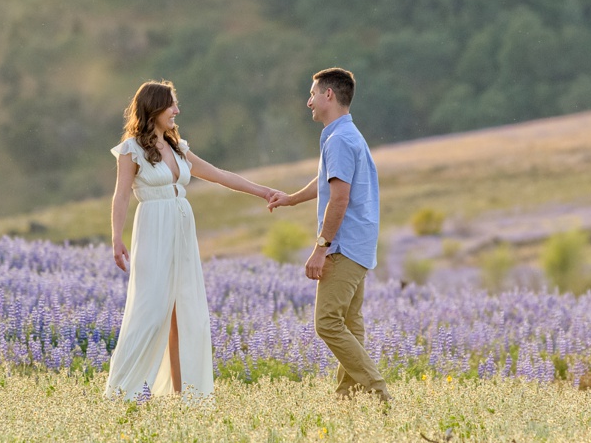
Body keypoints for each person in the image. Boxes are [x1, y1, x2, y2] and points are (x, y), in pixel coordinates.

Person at [104, 79, 283, 399]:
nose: (176, 110)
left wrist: (262, 191)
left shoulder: (176, 147)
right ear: (154, 108)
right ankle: (121, 393)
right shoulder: (131, 149)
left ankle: (183, 395)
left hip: (181, 230)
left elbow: (219, 174)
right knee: (150, 313)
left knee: (184, 313)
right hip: (154, 229)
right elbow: (121, 196)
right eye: (171, 104)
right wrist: (116, 238)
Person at [268, 67, 390, 402]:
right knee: (350, 324)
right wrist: (292, 198)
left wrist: (321, 247)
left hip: (344, 245)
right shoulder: (348, 135)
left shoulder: (338, 140)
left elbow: (339, 198)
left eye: (312, 94)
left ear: (328, 95)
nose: (308, 102)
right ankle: (345, 401)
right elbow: (327, 181)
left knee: (327, 323)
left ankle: (378, 391)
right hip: (360, 244)